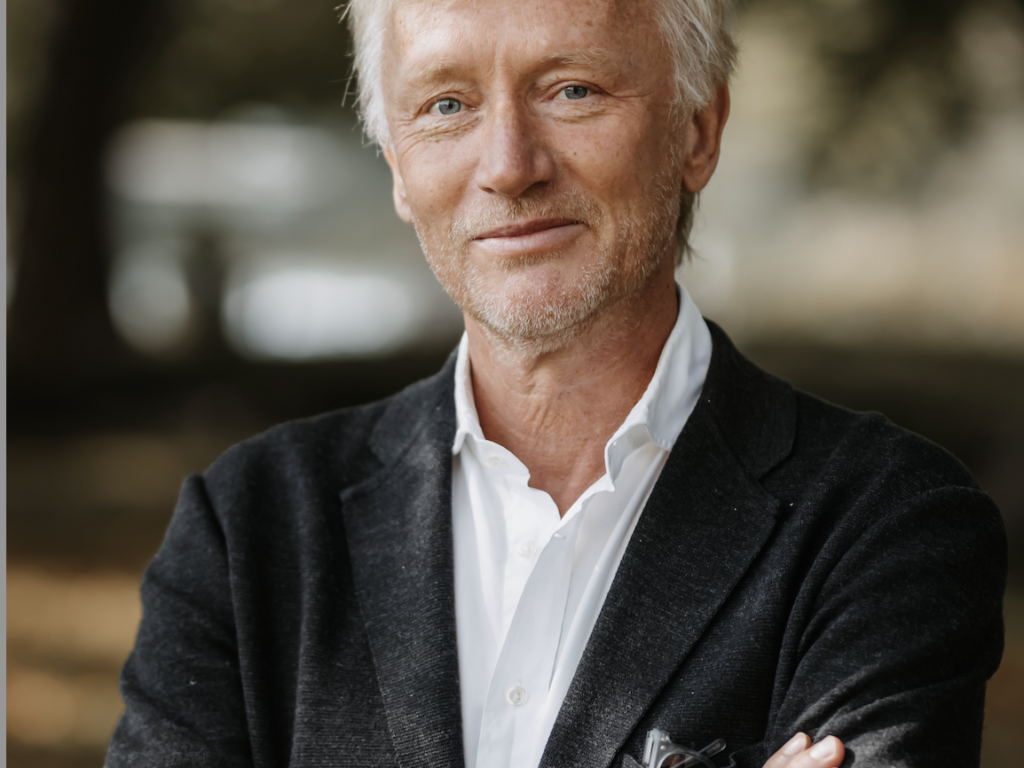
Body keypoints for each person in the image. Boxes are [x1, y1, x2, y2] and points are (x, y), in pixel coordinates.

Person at [105, 1, 1006, 767]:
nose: (508, 165)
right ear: (398, 170)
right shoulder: (244, 532)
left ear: (697, 132)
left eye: (572, 90)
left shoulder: (885, 526)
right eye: (447, 105)